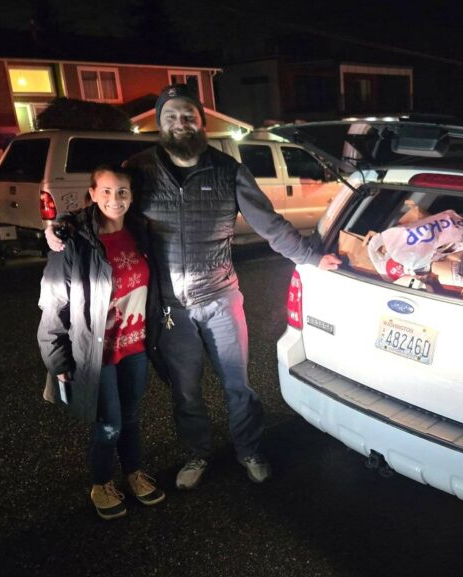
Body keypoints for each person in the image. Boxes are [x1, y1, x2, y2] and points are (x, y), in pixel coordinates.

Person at [48, 84, 341, 490]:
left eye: (188, 116)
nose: (180, 123)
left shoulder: (228, 170)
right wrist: (62, 228)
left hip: (221, 297)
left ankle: (249, 449)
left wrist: (311, 257)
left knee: (238, 385)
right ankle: (198, 453)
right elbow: (108, 205)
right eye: (171, 116)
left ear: (201, 122)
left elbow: (269, 224)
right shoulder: (139, 168)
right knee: (186, 393)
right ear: (160, 123)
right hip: (170, 308)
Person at [38, 164, 166, 519]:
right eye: (106, 191)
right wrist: (57, 360)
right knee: (108, 423)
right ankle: (100, 482)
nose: (115, 199)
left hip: (135, 346)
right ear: (92, 194)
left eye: (122, 191)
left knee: (132, 416)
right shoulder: (74, 241)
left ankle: (133, 473)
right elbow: (54, 301)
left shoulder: (141, 232)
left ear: (132, 196)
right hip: (98, 351)